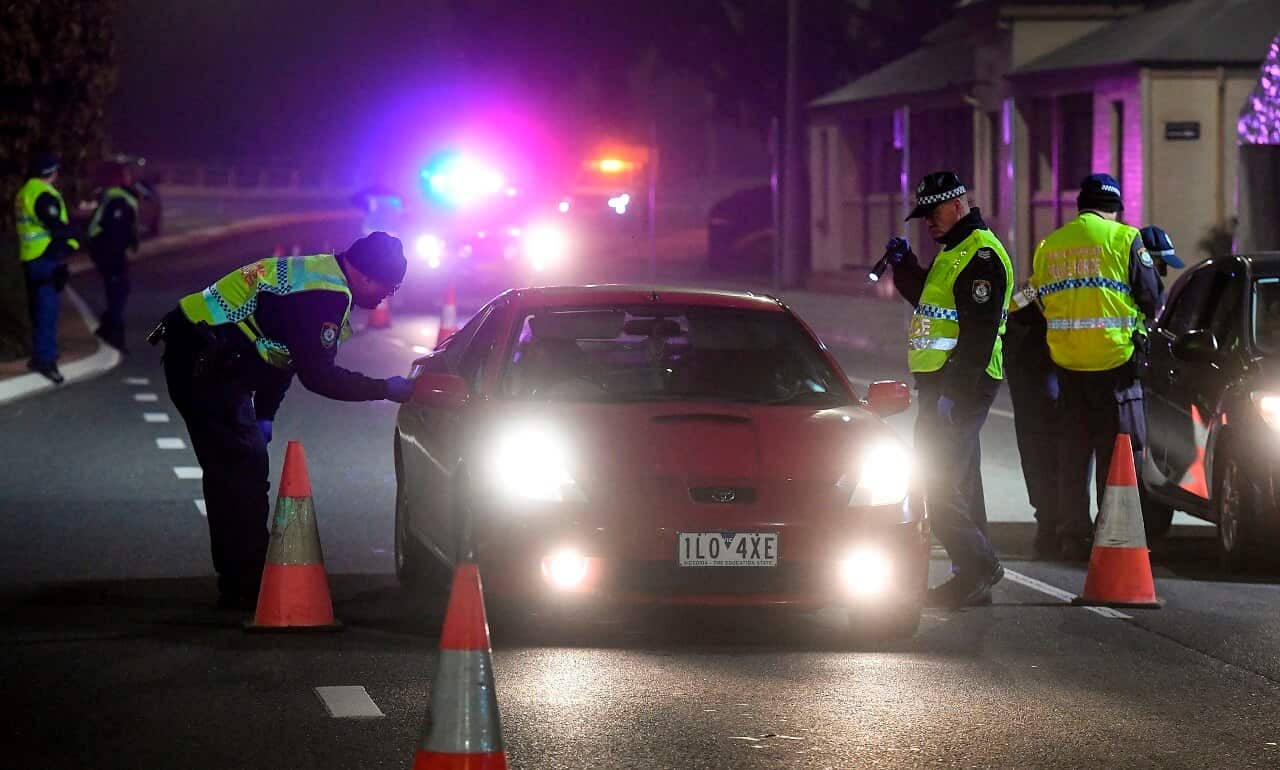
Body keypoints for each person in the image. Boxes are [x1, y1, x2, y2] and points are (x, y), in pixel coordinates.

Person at [152, 232, 418, 609]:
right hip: (205, 364)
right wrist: (384, 388)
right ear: (366, 275)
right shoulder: (326, 294)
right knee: (241, 472)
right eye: (386, 288)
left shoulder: (318, 272)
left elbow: (280, 350)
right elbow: (318, 375)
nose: (383, 299)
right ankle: (247, 586)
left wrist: (265, 414)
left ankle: (240, 580)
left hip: (202, 354)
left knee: (235, 469)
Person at [884, 170, 1013, 607]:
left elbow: (977, 338)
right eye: (922, 216)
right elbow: (929, 299)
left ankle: (980, 564)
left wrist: (952, 396)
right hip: (944, 382)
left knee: (935, 482)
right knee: (962, 482)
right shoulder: (954, 252)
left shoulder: (980, 257)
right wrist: (903, 267)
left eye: (933, 212)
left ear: (957, 204)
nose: (927, 222)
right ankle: (971, 578)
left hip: (961, 383)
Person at [1031, 174, 1162, 560]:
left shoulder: (1050, 245)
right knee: (1118, 453)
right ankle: (1115, 536)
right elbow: (1151, 296)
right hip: (1115, 365)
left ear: (1080, 206)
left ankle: (1073, 534)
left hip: (1068, 366)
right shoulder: (1125, 238)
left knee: (1072, 454)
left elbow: (1037, 300)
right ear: (1116, 207)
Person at [1004, 282, 1060, 558]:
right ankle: (1056, 522)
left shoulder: (1039, 282)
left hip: (1044, 370)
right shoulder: (1037, 287)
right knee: (1045, 446)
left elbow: (1013, 305)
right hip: (1043, 369)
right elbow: (1013, 305)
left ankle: (1053, 521)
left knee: (1039, 446)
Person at [14, 153, 80, 383]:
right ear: (52, 172)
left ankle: (38, 355)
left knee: (37, 309)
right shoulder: (43, 194)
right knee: (47, 311)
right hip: (45, 257)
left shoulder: (25, 191)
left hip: (30, 256)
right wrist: (72, 243)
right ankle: (46, 361)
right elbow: (55, 226)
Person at [88, 165, 141, 352]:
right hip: (110, 253)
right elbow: (116, 230)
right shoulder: (119, 199)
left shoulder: (114, 196)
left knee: (117, 291)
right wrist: (122, 253)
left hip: (104, 251)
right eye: (126, 175)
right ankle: (116, 337)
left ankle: (106, 327)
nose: (130, 177)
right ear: (119, 178)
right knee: (118, 292)